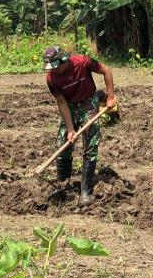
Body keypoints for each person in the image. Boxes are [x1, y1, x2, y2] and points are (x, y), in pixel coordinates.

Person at [44, 45, 117, 206]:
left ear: (64, 60)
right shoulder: (51, 79)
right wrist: (70, 129)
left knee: (91, 144)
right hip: (69, 106)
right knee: (63, 143)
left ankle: (85, 191)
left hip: (88, 103)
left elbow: (106, 70)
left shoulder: (82, 62)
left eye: (56, 67)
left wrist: (110, 97)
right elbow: (61, 102)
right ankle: (63, 186)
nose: (54, 71)